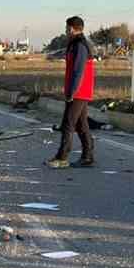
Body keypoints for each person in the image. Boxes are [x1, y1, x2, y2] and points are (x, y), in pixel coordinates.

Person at [47, 16, 96, 168]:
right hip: (79, 90)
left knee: (68, 124)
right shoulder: (75, 44)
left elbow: (78, 71)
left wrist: (72, 92)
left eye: (67, 28)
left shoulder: (80, 45)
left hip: (79, 91)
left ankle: (62, 157)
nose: (65, 31)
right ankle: (88, 157)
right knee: (81, 125)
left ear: (72, 29)